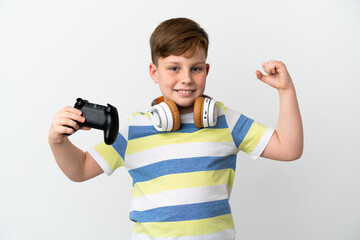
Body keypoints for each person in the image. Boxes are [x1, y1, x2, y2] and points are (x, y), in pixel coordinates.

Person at [49, 17, 303, 240]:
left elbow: (289, 148)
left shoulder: (225, 121)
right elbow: (80, 169)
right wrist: (58, 142)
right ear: (154, 71)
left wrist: (285, 91)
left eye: (196, 68)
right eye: (173, 68)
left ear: (207, 70)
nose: (186, 78)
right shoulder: (134, 129)